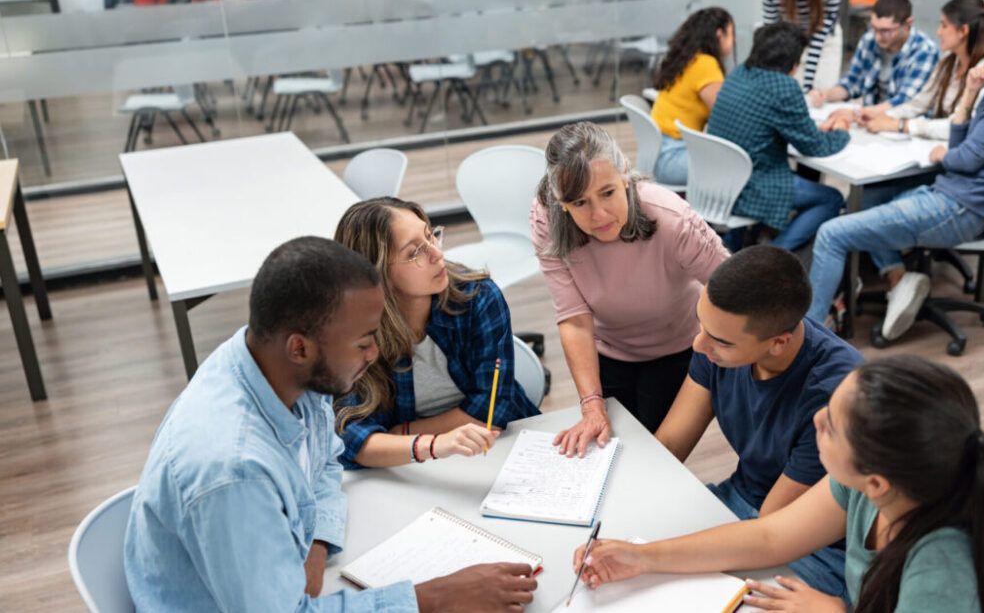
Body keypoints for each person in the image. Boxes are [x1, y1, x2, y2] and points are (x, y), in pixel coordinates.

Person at [124, 236, 538, 612]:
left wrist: (316, 549)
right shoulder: (233, 471)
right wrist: (434, 598)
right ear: (300, 347)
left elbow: (326, 461)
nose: (375, 353)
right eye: (363, 342)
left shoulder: (274, 362)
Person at [574, 356, 984, 613]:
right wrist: (644, 556)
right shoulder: (880, 486)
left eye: (830, 424)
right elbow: (771, 535)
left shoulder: (946, 570)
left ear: (876, 480)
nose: (816, 418)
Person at [806, 9, 984, 342]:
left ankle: (807, 340)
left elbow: (965, 158)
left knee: (830, 234)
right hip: (960, 198)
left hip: (959, 208)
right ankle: (898, 279)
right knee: (866, 200)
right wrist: (969, 95)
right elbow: (964, 148)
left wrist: (948, 155)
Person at [655, 245, 862, 598]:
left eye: (719, 340)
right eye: (701, 324)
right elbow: (671, 443)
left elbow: (771, 528)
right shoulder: (717, 343)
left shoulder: (834, 397)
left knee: (686, 587)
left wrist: (655, 558)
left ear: (778, 343)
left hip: (810, 543)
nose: (698, 343)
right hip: (742, 501)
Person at [529, 121, 729, 453]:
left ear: (625, 173)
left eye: (607, 192)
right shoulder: (547, 219)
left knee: (654, 456)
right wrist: (591, 404)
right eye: (579, 203)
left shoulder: (670, 217)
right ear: (560, 201)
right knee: (609, 450)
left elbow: (732, 286)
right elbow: (574, 318)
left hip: (677, 347)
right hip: (608, 348)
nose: (599, 214)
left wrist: (714, 347)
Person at [332, 197, 539, 469]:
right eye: (414, 252)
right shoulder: (351, 331)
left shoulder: (479, 298)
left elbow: (491, 411)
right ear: (377, 274)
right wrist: (433, 445)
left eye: (431, 235)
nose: (437, 254)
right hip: (410, 468)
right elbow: (352, 438)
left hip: (499, 450)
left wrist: (400, 435)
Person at [706, 22, 850, 252]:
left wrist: (812, 128)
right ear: (793, 63)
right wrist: (842, 129)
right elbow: (815, 147)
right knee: (832, 198)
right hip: (753, 187)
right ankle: (772, 254)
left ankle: (737, 249)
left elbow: (768, 121)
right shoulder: (783, 86)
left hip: (719, 181)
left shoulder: (738, 73)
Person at [862, 0, 984, 140]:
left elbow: (955, 126)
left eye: (944, 25)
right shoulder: (948, 62)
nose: (938, 32)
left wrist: (901, 125)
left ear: (963, 30)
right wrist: (883, 117)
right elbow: (920, 103)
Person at [811, 0, 939, 124]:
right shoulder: (869, 40)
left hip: (903, 126)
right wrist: (826, 94)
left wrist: (859, 114)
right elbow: (852, 82)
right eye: (874, 28)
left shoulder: (924, 51)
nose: (877, 36)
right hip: (871, 122)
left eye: (885, 31)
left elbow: (905, 102)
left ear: (907, 24)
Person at [649, 7, 736, 186]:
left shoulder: (688, 59)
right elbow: (727, 115)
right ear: (720, 34)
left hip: (659, 152)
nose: (734, 41)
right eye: (731, 34)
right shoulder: (706, 64)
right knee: (739, 167)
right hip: (673, 158)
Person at [762, 0, 844, 93]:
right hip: (790, 37)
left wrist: (808, 86)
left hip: (824, 38)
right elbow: (772, 38)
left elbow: (819, 38)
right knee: (791, 86)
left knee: (823, 91)